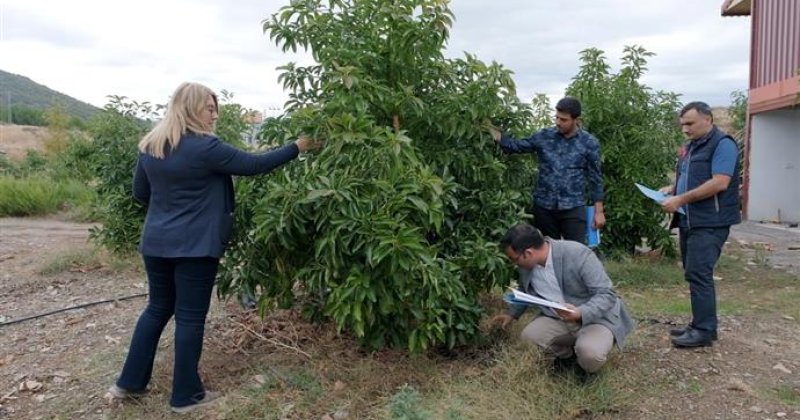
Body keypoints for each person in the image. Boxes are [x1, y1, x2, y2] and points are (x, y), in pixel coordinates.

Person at [106, 82, 322, 413]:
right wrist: (298, 146)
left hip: (156, 244)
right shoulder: (205, 147)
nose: (215, 114)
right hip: (195, 247)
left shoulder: (152, 145)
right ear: (192, 108)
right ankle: (185, 396)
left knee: (157, 309)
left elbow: (141, 193)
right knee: (190, 318)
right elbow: (253, 165)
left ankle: (129, 383)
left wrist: (171, 206)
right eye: (209, 107)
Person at [489, 223, 634, 376]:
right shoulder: (527, 266)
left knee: (590, 354)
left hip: (596, 318)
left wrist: (580, 312)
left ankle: (586, 368)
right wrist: (512, 315)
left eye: (515, 259)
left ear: (528, 253)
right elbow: (525, 291)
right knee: (529, 337)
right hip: (558, 318)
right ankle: (567, 357)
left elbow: (607, 294)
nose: (514, 263)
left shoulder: (577, 254)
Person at [660, 101, 740, 348]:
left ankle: (704, 331)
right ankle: (699, 324)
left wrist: (681, 198)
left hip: (710, 222)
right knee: (693, 273)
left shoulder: (723, 145)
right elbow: (689, 178)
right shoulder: (691, 146)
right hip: (689, 219)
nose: (685, 129)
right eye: (682, 124)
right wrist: (672, 190)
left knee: (700, 274)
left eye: (690, 124)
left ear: (708, 119)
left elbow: (719, 183)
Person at [490, 97, 605, 244]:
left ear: (576, 119)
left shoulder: (589, 143)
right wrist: (493, 132)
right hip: (544, 207)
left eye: (563, 120)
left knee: (576, 252)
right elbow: (516, 146)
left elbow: (596, 178)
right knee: (548, 253)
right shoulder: (544, 136)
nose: (558, 122)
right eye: (556, 117)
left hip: (573, 207)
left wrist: (599, 212)